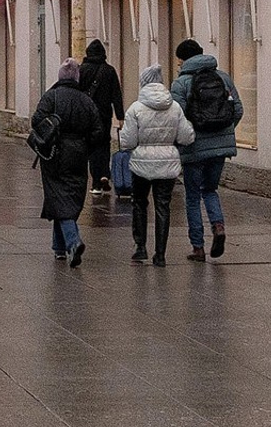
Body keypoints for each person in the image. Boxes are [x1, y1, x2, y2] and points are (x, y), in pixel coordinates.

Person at [170, 38, 242, 259]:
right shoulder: (223, 78)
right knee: (210, 189)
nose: (178, 64)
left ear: (183, 60)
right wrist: (223, 133)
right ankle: (218, 226)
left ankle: (198, 247)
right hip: (220, 149)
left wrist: (184, 139)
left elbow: (178, 118)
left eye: (179, 61)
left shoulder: (180, 84)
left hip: (193, 148)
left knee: (192, 197)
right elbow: (238, 110)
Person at [114, 67, 190, 263]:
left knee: (139, 203)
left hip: (141, 163)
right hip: (167, 163)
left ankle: (140, 247)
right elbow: (186, 137)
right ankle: (161, 254)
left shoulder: (136, 108)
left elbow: (127, 141)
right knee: (163, 206)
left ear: (143, 82)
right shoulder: (175, 107)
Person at [30, 58, 100, 266]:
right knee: (70, 197)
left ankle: (72, 241)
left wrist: (51, 132)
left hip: (54, 153)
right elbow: (97, 130)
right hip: (78, 153)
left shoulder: (51, 96)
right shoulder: (86, 100)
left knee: (57, 196)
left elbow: (36, 120)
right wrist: (85, 147)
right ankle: (59, 247)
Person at [78, 37, 125, 197]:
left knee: (92, 147)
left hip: (87, 116)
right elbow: (116, 95)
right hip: (104, 115)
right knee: (104, 144)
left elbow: (77, 93)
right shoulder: (109, 70)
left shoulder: (82, 70)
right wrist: (120, 116)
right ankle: (104, 173)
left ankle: (96, 184)